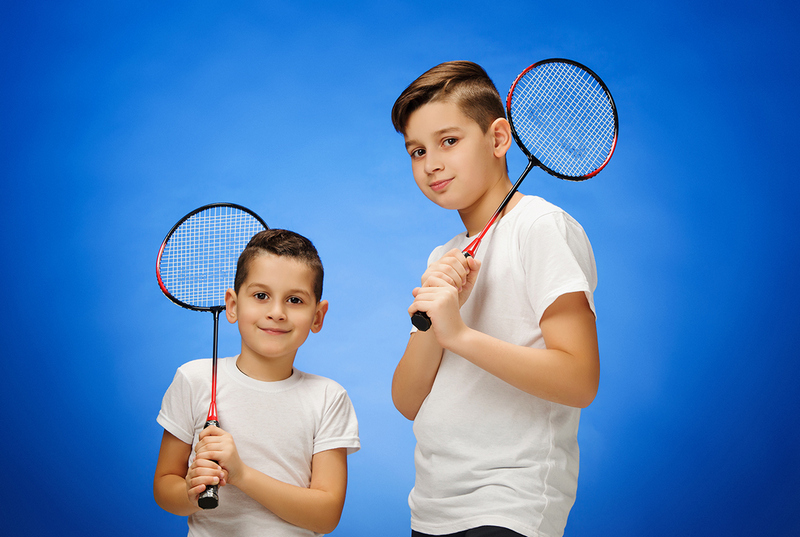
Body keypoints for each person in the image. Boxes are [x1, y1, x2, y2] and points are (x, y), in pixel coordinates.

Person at [390, 61, 600, 537]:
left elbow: (580, 379)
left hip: (510, 502)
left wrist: (460, 335)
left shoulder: (541, 228)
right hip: (433, 504)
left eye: (449, 141)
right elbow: (407, 399)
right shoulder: (445, 255)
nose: (432, 163)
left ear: (499, 139)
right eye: (417, 150)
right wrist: (440, 317)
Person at [153, 229, 360, 536]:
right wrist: (191, 490)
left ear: (318, 316)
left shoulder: (329, 397)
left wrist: (242, 475)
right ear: (232, 306)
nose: (276, 313)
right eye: (261, 296)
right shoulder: (195, 380)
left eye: (294, 299)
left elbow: (326, 516)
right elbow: (164, 485)